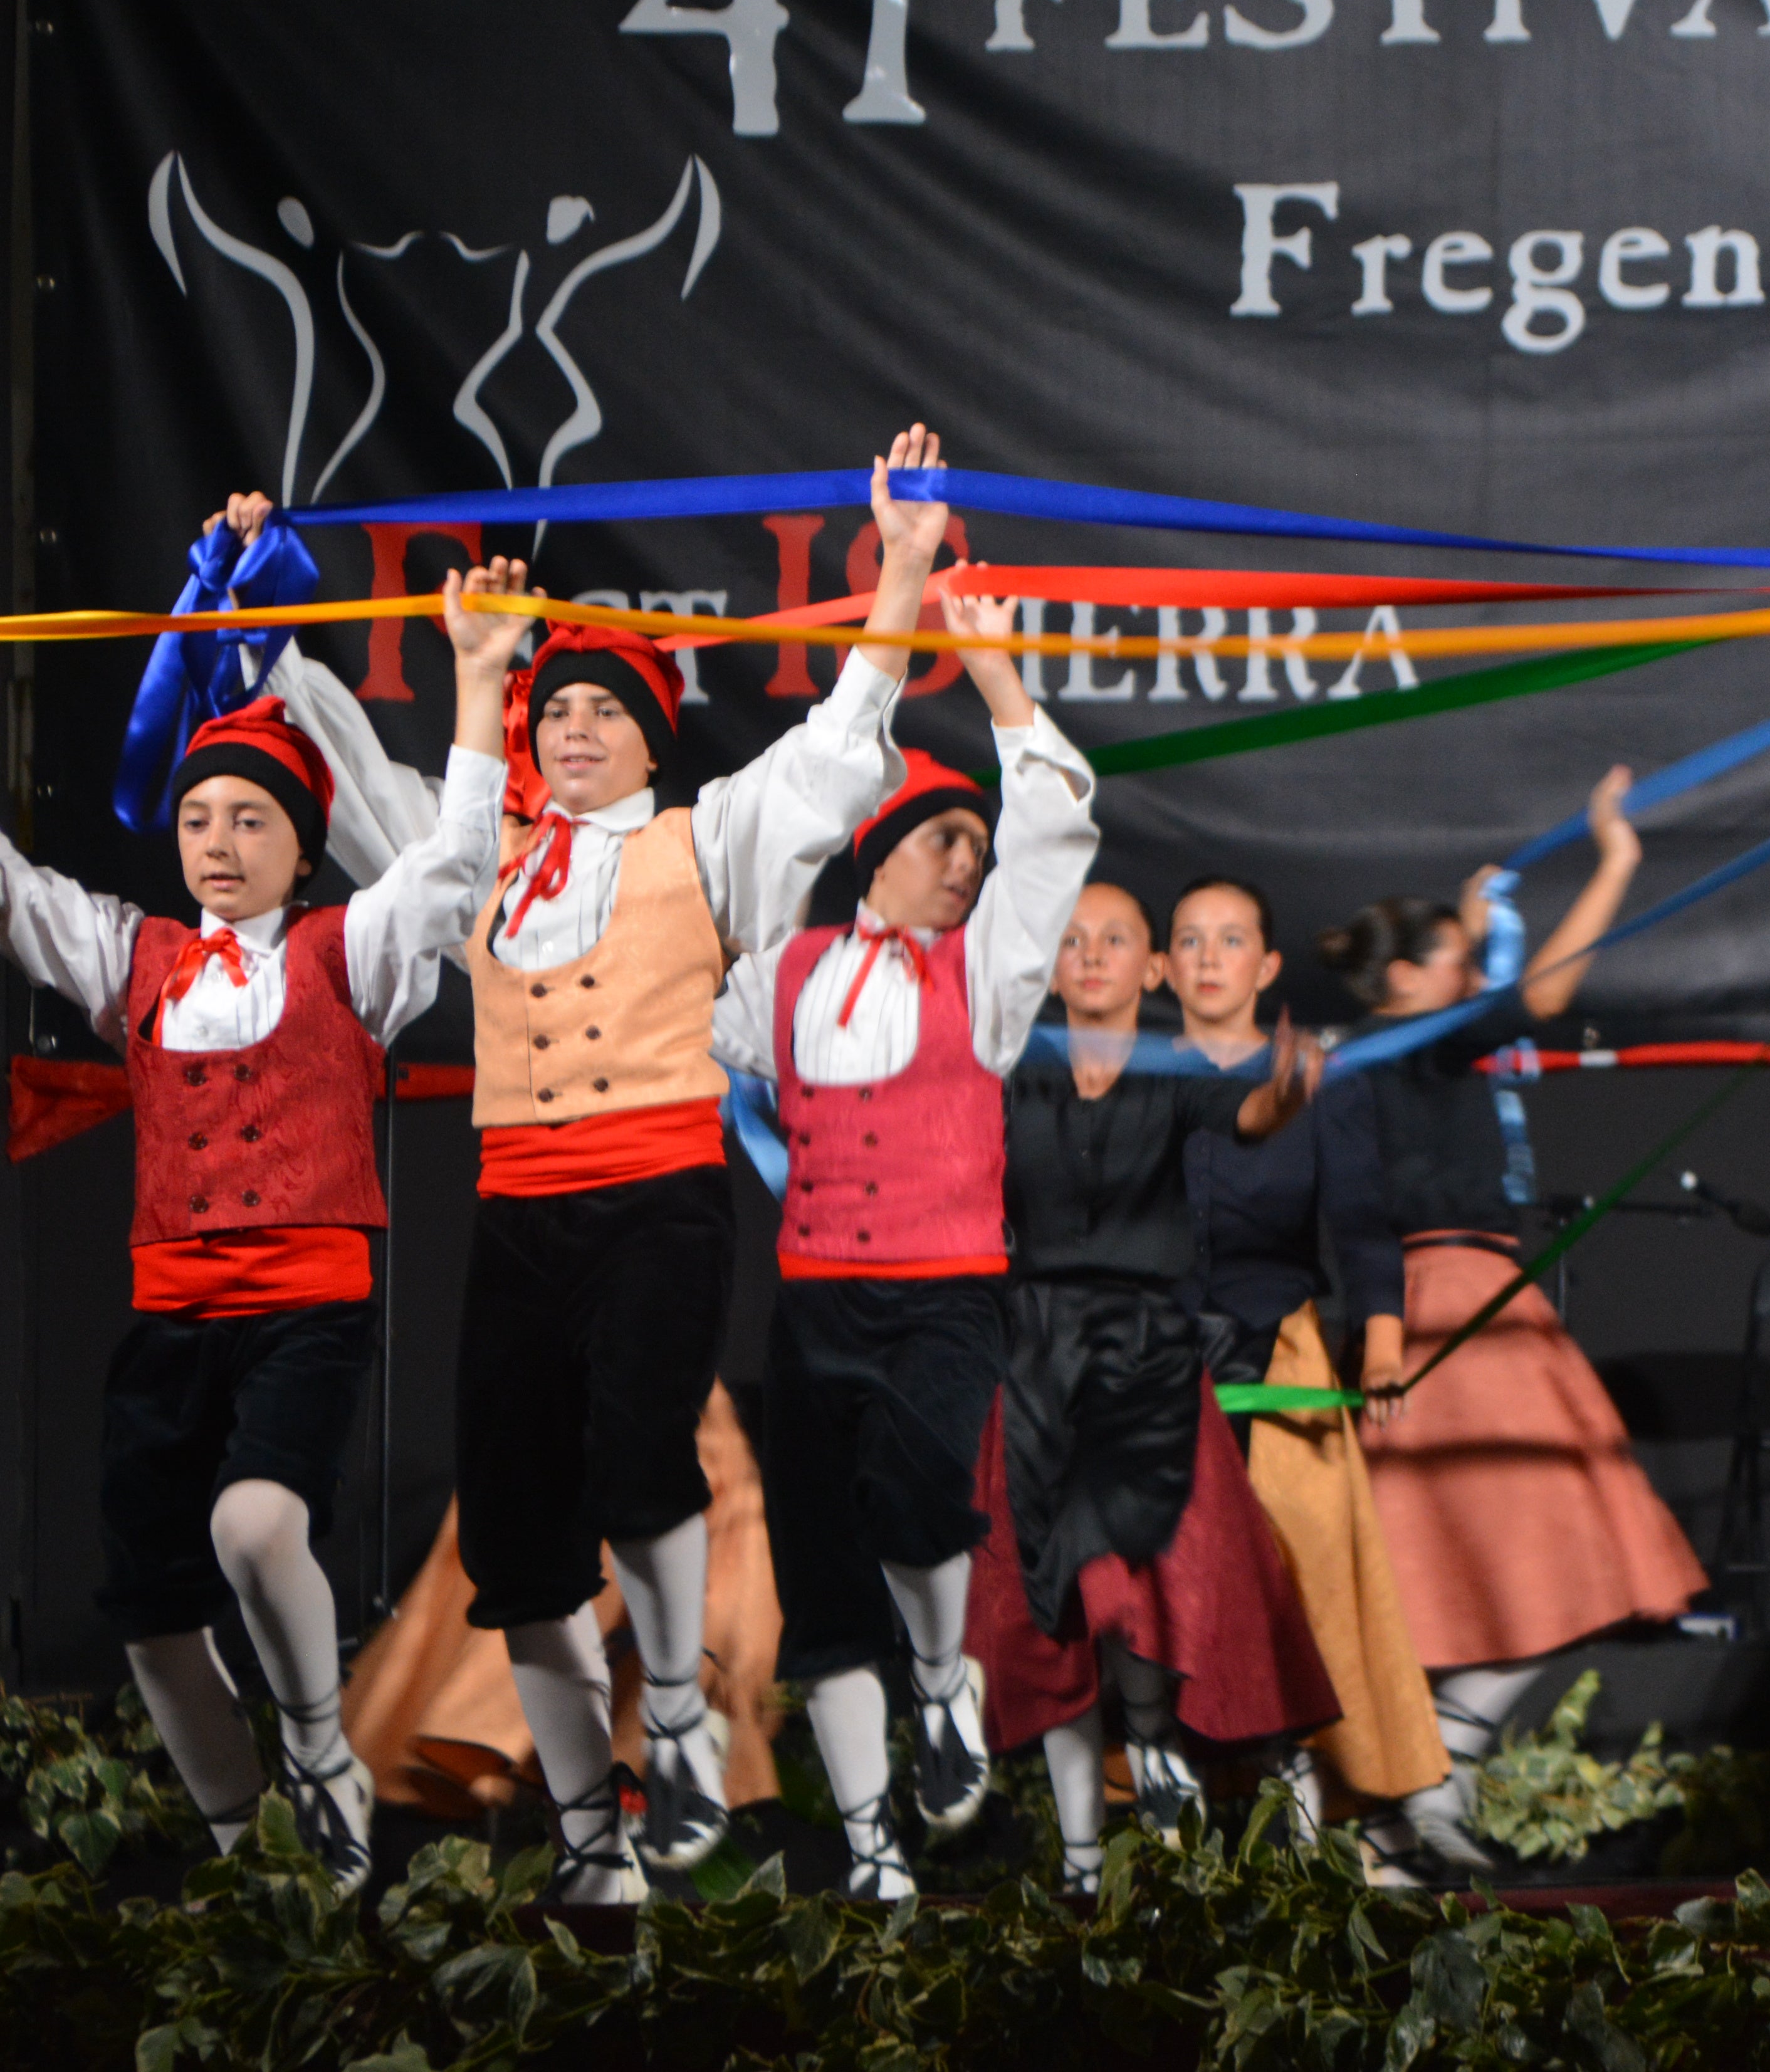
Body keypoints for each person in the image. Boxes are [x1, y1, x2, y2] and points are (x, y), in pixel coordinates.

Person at [371, 431, 948, 1902]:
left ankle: (679, 1718)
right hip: (519, 1210)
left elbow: (840, 740)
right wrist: (477, 677)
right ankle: (587, 1831)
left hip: (660, 1190)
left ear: (647, 737)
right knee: (513, 1556)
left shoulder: (707, 837)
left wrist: (893, 566)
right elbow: (395, 803)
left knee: (642, 1459)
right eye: (551, 709)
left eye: (598, 710)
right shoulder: (479, 857)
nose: (569, 728)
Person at [0, 666, 495, 1894]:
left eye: (252, 817)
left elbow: (448, 868)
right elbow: (15, 894)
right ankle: (252, 1867)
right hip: (172, 1315)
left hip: (308, 1304)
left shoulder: (352, 951)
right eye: (198, 818)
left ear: (304, 843)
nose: (219, 842)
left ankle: (323, 1752)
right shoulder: (140, 958)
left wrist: (478, 689)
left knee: (255, 1521)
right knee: (153, 1620)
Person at [711, 588, 1096, 1898]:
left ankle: (942, 1680)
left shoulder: (982, 978)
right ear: (876, 848)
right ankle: (873, 1849)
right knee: (822, 1578)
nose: (968, 861)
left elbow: (1051, 828)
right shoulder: (785, 972)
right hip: (815, 1300)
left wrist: (993, 674)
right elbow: (665, 1000)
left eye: (973, 847)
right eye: (944, 837)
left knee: (930, 1498)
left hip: (944, 1293)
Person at [1322, 771, 1710, 1876]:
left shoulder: (1396, 1047)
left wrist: (1476, 928)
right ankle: (1420, 1784)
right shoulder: (1394, 1051)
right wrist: (1617, 861)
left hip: (1480, 1304)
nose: (1470, 974)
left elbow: (1498, 1001)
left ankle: (1437, 1765)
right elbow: (1535, 998)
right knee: (1496, 1564)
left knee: (1546, 1565)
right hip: (1446, 1313)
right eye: (1450, 959)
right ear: (1405, 980)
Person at [966, 881, 1339, 1892]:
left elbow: (1251, 1112)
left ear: (1153, 969)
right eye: (1073, 939)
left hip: (1148, 1366)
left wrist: (1285, 1096)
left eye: (1117, 939)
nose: (1091, 955)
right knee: (1058, 1629)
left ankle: (1167, 1849)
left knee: (1147, 1618)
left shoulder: (1180, 1073)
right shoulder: (1009, 1071)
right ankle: (1085, 1863)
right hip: (1038, 1362)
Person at [1166, 876, 1449, 1827]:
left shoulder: (1330, 1083)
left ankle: (1301, 1780)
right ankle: (1172, 1794)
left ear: (1269, 964)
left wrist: (1380, 1352)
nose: (1210, 959)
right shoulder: (1126, 1075)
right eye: (1192, 941)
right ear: (1163, 966)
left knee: (1302, 1556)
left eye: (1232, 939)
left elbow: (1364, 1231)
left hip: (1278, 1349)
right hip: (1153, 1360)